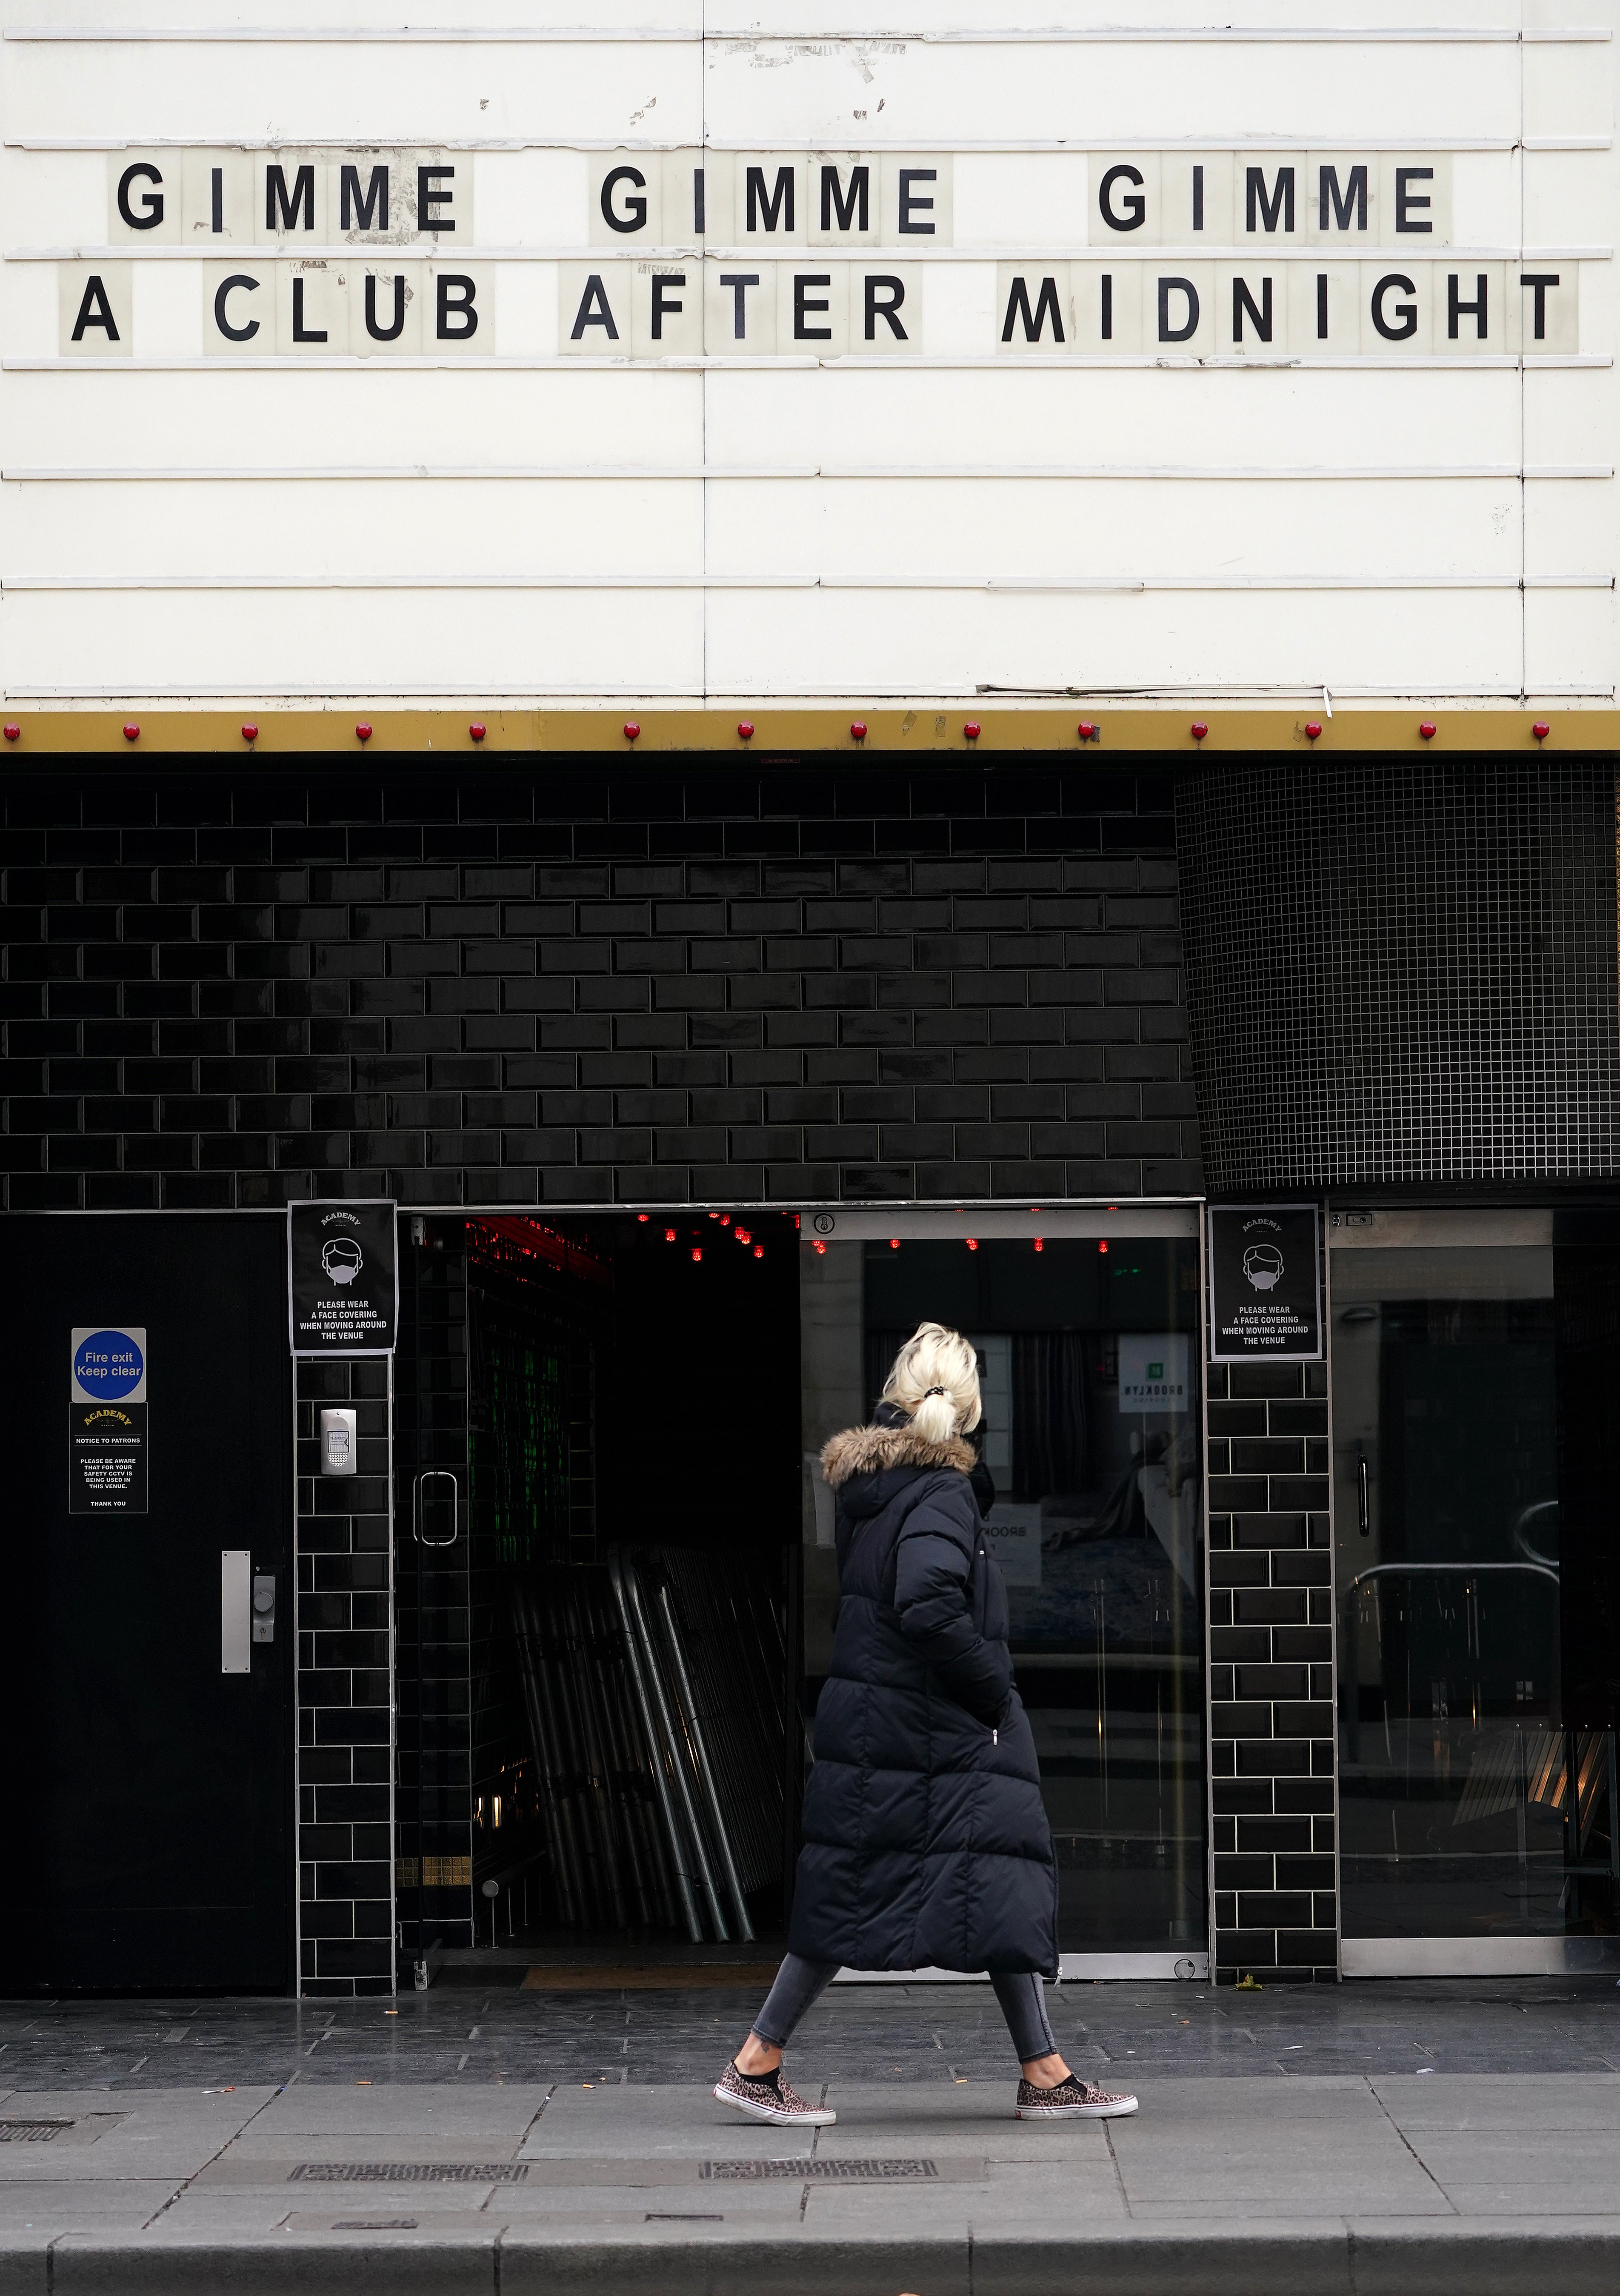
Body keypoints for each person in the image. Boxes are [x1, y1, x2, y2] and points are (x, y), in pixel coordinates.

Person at [714, 1322, 1137, 2126]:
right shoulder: (941, 1492)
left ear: (898, 1401)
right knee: (947, 1875)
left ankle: (1042, 2070)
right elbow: (926, 1602)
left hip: (889, 1728)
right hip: (929, 1729)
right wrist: (992, 1693)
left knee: (968, 1877)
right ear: (973, 1409)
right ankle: (756, 2060)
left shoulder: (880, 1490)